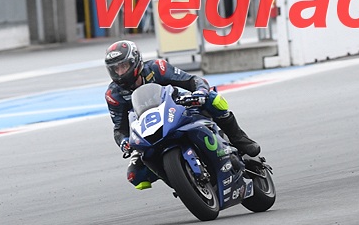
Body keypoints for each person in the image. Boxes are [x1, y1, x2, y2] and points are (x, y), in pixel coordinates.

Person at [103, 40, 262, 190]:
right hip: (148, 130)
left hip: (177, 107)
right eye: (116, 69)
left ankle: (239, 139)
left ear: (135, 61)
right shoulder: (113, 95)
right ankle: (180, 183)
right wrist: (124, 141)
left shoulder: (157, 68)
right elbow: (119, 129)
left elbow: (192, 80)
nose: (120, 72)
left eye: (123, 66)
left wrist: (200, 91)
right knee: (134, 175)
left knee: (213, 99)